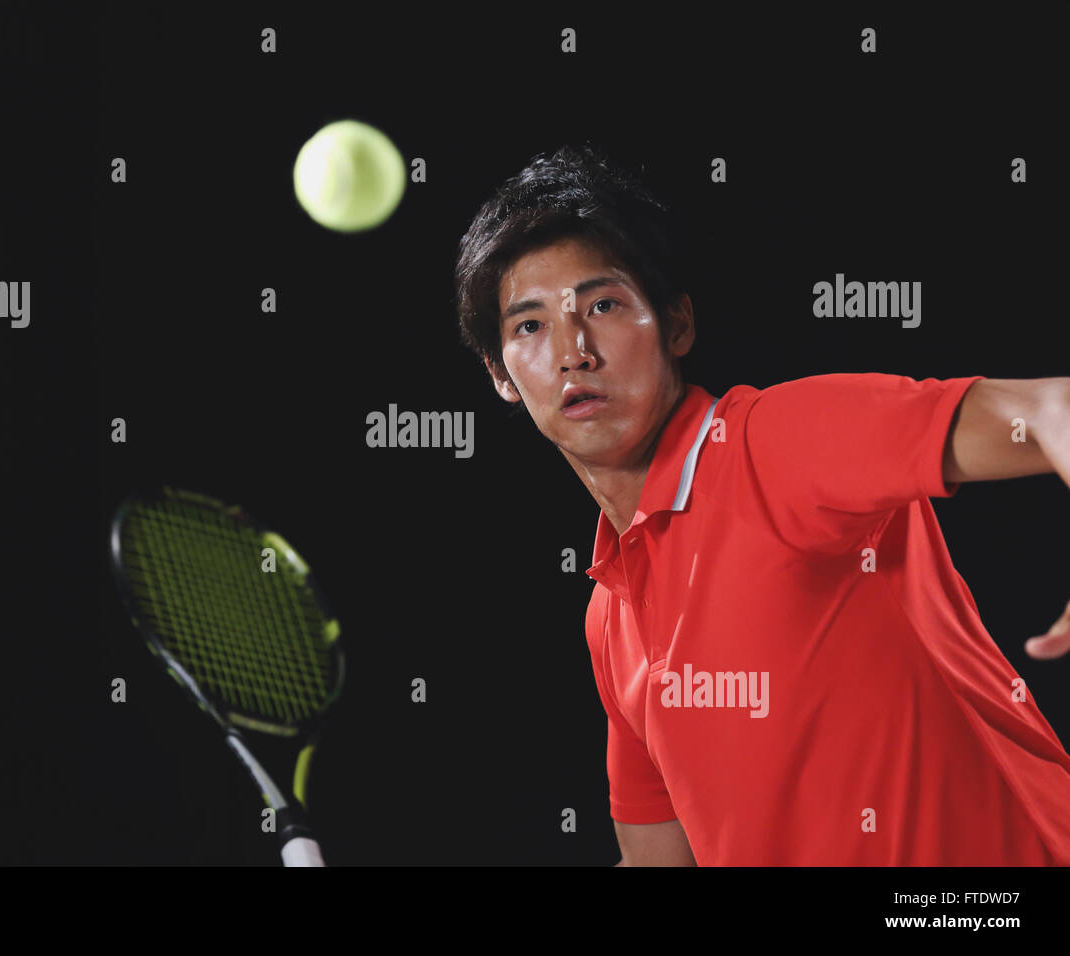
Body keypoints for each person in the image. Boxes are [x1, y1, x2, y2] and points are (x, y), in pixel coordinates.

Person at [454, 143, 1070, 865]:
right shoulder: (610, 616)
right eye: (530, 326)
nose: (573, 351)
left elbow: (1053, 406)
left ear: (677, 325)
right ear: (500, 375)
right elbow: (660, 861)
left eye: (605, 305)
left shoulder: (775, 447)